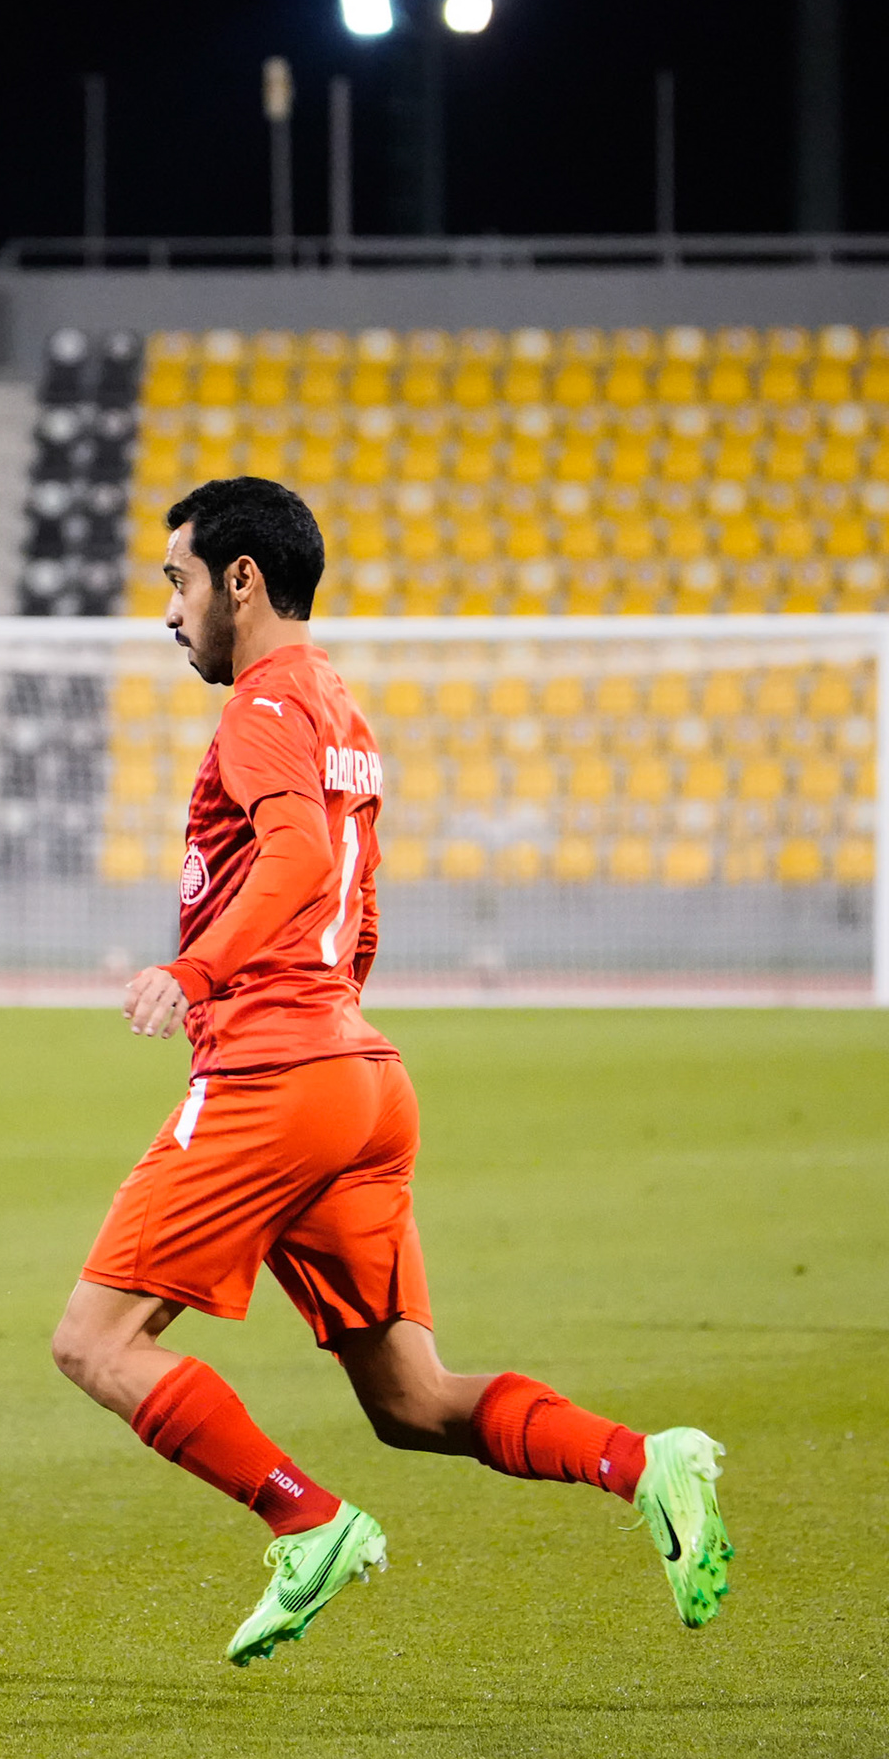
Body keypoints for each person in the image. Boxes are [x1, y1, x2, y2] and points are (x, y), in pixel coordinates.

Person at [50, 478, 729, 1662]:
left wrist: (197, 974)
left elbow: (300, 861)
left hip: (275, 1074)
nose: (166, 610)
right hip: (359, 1075)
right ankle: (644, 1462)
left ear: (241, 580)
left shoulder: (263, 705)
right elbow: (358, 911)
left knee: (94, 1342)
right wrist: (329, 1025)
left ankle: (304, 1520)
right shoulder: (341, 711)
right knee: (413, 1401)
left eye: (177, 580)